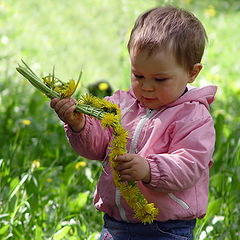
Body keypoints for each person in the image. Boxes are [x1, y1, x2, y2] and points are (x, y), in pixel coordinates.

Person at [50, 5, 217, 240]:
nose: (146, 87)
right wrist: (79, 125)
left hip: (166, 229)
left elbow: (189, 164)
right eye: (138, 76)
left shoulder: (194, 118)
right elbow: (96, 147)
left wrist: (149, 169)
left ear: (192, 72)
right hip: (116, 224)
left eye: (160, 79)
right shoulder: (119, 105)